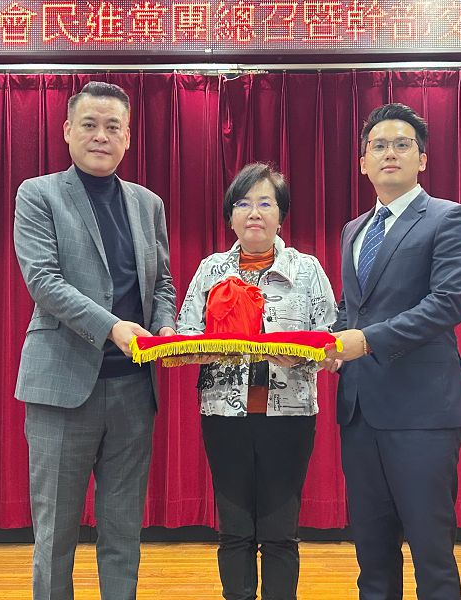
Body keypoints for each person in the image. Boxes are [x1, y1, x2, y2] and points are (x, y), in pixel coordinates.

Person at [13, 81, 176, 600]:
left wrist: (166, 328)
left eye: (112, 127)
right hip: (62, 387)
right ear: (67, 131)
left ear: (128, 137)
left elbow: (163, 282)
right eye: (89, 124)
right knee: (55, 535)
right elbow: (44, 281)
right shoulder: (38, 194)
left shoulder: (148, 203)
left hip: (133, 390)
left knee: (123, 531)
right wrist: (112, 327)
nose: (100, 136)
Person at [325, 103, 461, 600]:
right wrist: (326, 346)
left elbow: (447, 303)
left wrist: (366, 340)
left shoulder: (449, 218)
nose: (389, 153)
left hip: (422, 413)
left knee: (432, 557)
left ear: (422, 159)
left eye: (401, 144)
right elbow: (351, 308)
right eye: (378, 146)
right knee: (372, 560)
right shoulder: (354, 229)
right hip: (359, 412)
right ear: (363, 162)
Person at [176, 162, 338, 600]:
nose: (254, 213)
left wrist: (309, 354)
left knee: (280, 532)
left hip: (289, 417)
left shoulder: (306, 269)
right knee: (234, 530)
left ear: (281, 215)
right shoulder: (211, 270)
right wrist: (198, 348)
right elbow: (185, 332)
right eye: (243, 204)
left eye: (265, 203)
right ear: (230, 215)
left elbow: (332, 338)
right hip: (224, 416)